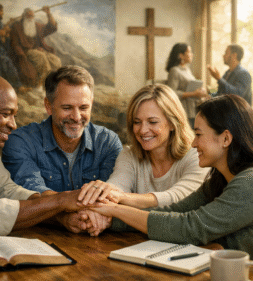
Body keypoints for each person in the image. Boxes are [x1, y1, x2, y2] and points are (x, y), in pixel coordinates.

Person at [80, 94, 253, 257]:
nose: (194, 143)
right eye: (137, 122)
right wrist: (110, 219)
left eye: (199, 135)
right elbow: (174, 211)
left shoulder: (249, 182)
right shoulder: (217, 181)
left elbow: (190, 227)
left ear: (225, 139)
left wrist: (115, 209)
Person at [0, 71, 87, 236]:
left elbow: (8, 191)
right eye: (6, 114)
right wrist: (60, 201)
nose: (13, 125)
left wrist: (60, 216)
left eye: (14, 116)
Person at [2, 65, 122, 235]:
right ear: (48, 106)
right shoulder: (21, 142)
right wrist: (65, 218)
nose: (76, 117)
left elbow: (113, 195)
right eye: (67, 108)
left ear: (91, 104)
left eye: (83, 107)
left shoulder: (108, 142)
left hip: (99, 238)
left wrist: (94, 217)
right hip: (39, 239)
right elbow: (31, 196)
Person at [78, 84, 209, 209]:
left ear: (172, 123)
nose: (142, 130)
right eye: (137, 122)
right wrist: (105, 196)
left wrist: (120, 197)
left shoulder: (197, 154)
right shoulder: (129, 154)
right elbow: (116, 186)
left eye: (152, 122)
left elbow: (180, 198)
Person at [9, 6, 62, 87]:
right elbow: (15, 44)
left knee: (56, 60)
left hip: (38, 50)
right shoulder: (17, 26)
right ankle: (40, 85)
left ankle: (55, 84)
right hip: (26, 51)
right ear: (24, 16)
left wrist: (48, 13)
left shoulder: (37, 26)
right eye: (28, 15)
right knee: (42, 59)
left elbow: (52, 27)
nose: (30, 18)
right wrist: (21, 54)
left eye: (32, 16)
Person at [166, 43, 208, 128]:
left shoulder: (187, 70)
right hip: (183, 111)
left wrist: (200, 92)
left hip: (193, 110)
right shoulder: (174, 71)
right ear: (181, 55)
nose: (191, 54)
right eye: (189, 52)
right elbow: (171, 93)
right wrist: (193, 94)